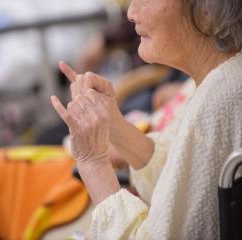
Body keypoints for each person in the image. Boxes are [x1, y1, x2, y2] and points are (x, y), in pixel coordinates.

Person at [51, 0, 242, 239]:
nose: (131, 13)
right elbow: (180, 180)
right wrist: (114, 124)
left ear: (207, 11)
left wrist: (93, 163)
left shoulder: (219, 101)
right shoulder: (225, 83)